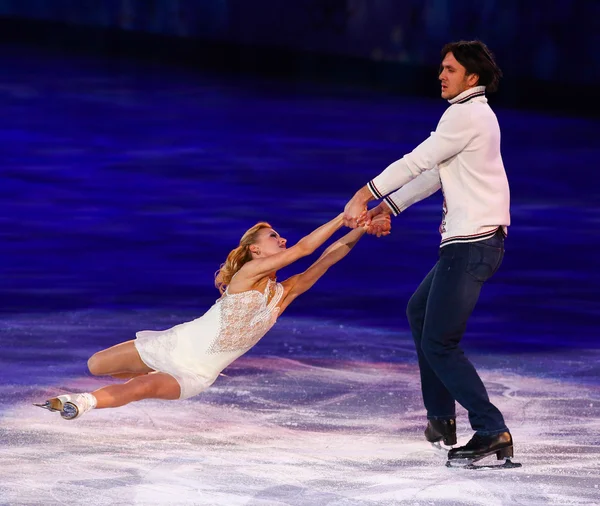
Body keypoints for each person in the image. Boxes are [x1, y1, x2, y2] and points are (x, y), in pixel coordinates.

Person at [35, 213, 390, 420]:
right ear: (255, 250)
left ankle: (79, 403)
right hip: (173, 344)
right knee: (97, 364)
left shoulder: (283, 295)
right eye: (274, 237)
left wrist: (363, 226)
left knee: (140, 388)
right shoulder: (246, 276)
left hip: (197, 373)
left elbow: (326, 257)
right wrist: (346, 216)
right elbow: (304, 249)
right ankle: (128, 373)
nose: (282, 241)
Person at [344, 40, 513, 466]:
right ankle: (441, 418)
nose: (441, 75)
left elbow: (419, 159)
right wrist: (388, 206)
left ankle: (491, 428)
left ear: (471, 78)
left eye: (450, 70)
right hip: (472, 240)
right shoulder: (472, 115)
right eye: (441, 68)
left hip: (472, 242)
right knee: (420, 313)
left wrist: (365, 194)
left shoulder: (466, 113)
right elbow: (437, 172)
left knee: (440, 341)